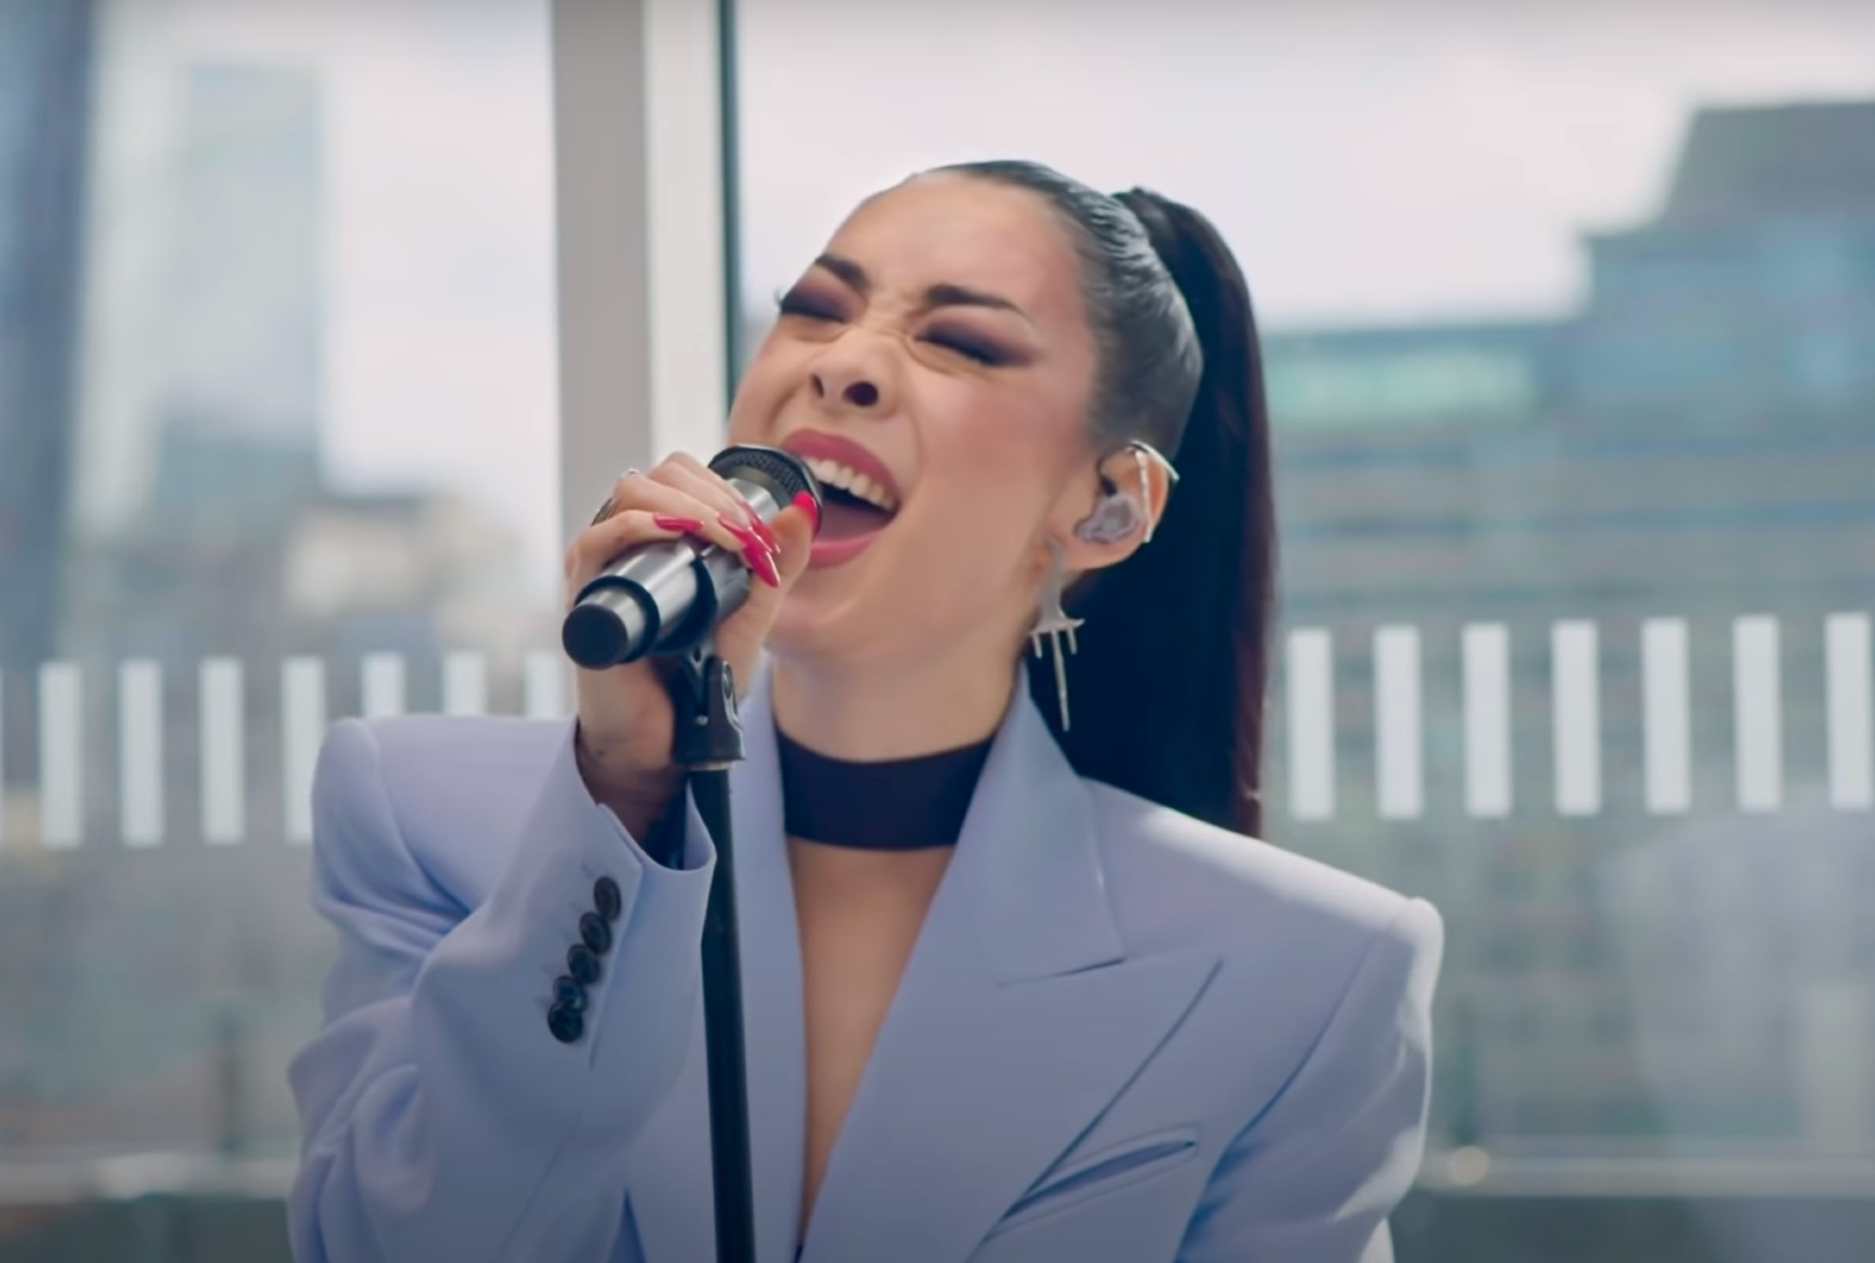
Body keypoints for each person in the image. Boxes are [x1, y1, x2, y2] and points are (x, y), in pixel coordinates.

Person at [287, 160, 1444, 1263]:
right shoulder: (424, 818)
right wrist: (623, 795)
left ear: (1106, 507)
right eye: (813, 310)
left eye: (960, 341)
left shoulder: (1308, 969)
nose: (845, 363)